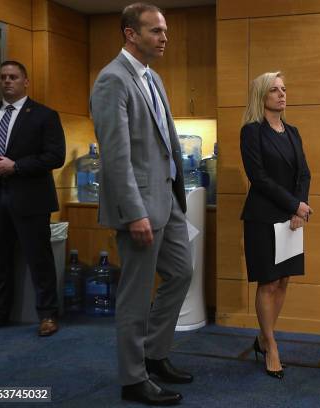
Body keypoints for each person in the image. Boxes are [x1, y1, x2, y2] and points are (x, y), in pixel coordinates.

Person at [90, 3, 193, 405]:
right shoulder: (111, 80)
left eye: (164, 31)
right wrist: (134, 213)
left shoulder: (154, 78)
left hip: (168, 200)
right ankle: (133, 379)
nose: (164, 38)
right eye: (155, 31)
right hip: (139, 209)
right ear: (130, 34)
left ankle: (154, 353)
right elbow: (115, 158)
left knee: (182, 274)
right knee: (135, 295)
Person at [0, 60, 65, 337]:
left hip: (30, 198)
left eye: (13, 77)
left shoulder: (44, 115)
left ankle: (48, 315)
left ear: (25, 82)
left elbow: (55, 157)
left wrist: (15, 166)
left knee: (38, 259)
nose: (7, 81)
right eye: (3, 77)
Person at [240, 72, 312, 379]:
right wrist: (294, 204)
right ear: (261, 96)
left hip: (291, 218)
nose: (282, 94)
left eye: (284, 89)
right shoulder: (251, 131)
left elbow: (304, 173)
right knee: (267, 282)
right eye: (274, 90)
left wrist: (300, 207)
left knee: (283, 281)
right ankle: (271, 346)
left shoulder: (293, 131)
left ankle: (262, 337)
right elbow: (259, 178)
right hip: (262, 217)